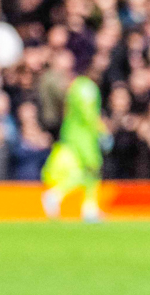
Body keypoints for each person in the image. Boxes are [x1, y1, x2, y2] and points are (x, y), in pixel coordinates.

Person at [40, 76, 106, 222]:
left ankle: (88, 208)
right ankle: (56, 196)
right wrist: (102, 130)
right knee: (89, 170)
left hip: (74, 135)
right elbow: (87, 113)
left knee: (90, 173)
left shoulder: (77, 86)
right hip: (82, 137)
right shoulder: (86, 87)